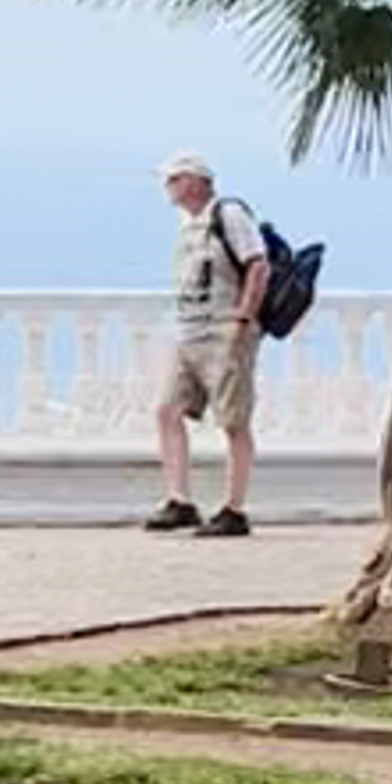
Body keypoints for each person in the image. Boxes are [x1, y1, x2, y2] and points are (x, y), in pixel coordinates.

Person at [148, 152, 268, 538]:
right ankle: (179, 500)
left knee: (233, 419)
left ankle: (235, 508)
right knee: (168, 410)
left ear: (196, 181)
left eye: (174, 180)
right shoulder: (188, 225)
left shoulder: (228, 215)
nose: (169, 188)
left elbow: (258, 264)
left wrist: (244, 316)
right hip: (190, 331)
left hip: (224, 331)